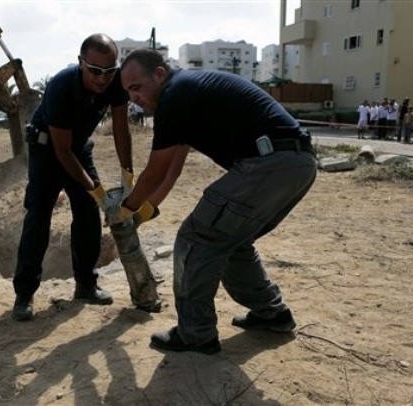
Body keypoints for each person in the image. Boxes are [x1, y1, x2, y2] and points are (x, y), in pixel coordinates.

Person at [110, 48, 317, 354]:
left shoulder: (175, 97)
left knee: (196, 238)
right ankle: (272, 313)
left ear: (159, 75)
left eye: (136, 87)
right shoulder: (186, 94)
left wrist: (124, 211)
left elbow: (153, 173)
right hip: (297, 163)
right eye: (128, 92)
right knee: (231, 241)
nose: (133, 98)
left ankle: (196, 333)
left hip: (270, 162)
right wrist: (144, 211)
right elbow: (171, 171)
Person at [12, 33, 133, 321]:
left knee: (88, 215)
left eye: (109, 70)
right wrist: (96, 190)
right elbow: (62, 152)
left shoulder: (116, 83)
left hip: (78, 147)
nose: (102, 78)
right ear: (81, 62)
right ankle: (24, 295)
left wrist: (127, 175)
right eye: (95, 70)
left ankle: (86, 285)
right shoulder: (61, 87)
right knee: (39, 216)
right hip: (47, 151)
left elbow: (121, 128)